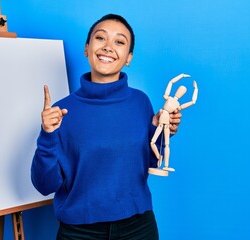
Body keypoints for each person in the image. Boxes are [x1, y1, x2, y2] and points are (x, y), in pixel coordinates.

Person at [31, 13, 182, 240]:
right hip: (80, 232)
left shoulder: (141, 102)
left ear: (128, 57)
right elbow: (45, 185)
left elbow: (148, 164)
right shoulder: (61, 112)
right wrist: (47, 136)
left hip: (138, 227)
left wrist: (160, 132)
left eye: (119, 42)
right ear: (87, 48)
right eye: (101, 38)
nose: (108, 47)